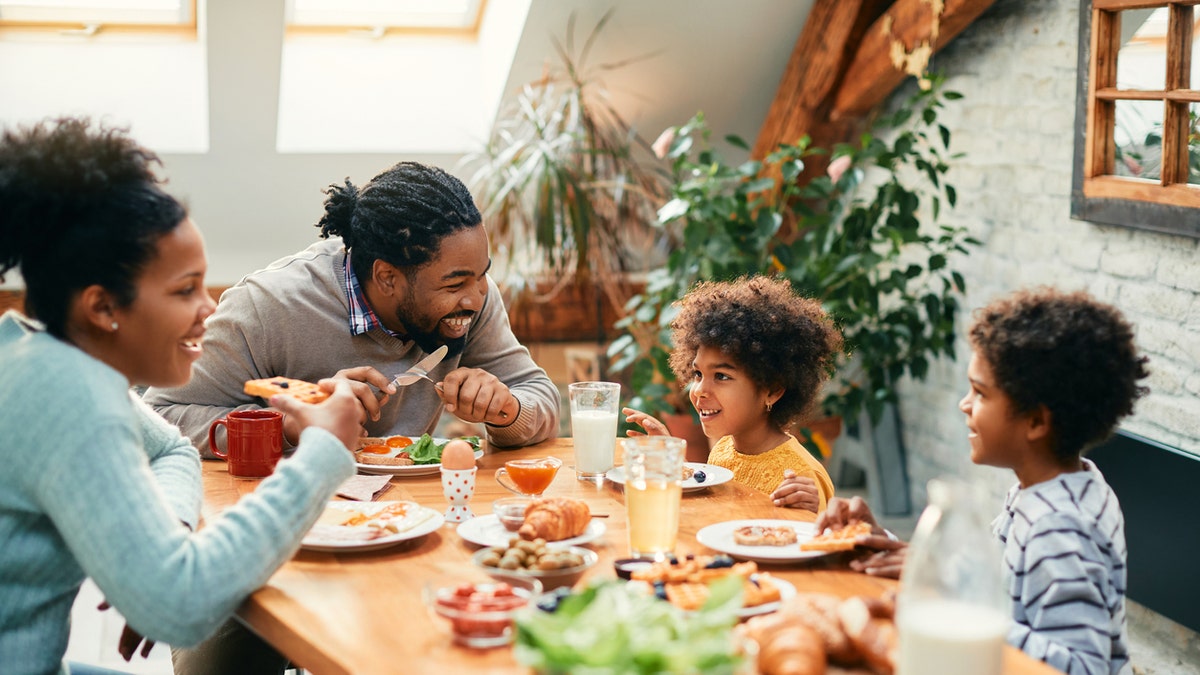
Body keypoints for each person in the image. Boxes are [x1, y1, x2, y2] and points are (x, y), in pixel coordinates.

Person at [0, 118, 363, 675]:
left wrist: (159, 552)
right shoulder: (72, 397)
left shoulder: (35, 354)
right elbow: (184, 609)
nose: (210, 309)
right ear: (102, 308)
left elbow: (171, 449)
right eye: (184, 289)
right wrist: (322, 452)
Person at [817, 287, 1148, 675]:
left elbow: (1083, 667)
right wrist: (900, 550)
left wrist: (960, 611)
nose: (965, 404)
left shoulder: (1058, 526)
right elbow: (996, 581)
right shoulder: (1052, 488)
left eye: (980, 392)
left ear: (1036, 422)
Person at [143, 160, 559, 457]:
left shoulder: (470, 301)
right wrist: (290, 425)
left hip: (413, 517)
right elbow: (159, 419)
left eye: (482, 274)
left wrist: (506, 410)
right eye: (455, 283)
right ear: (387, 277)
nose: (476, 296)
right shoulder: (267, 307)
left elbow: (541, 398)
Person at [623, 276, 842, 513]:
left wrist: (814, 514)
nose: (699, 391)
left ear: (772, 390)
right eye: (698, 374)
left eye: (721, 376)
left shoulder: (800, 477)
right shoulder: (723, 449)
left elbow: (822, 543)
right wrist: (672, 461)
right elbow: (714, 518)